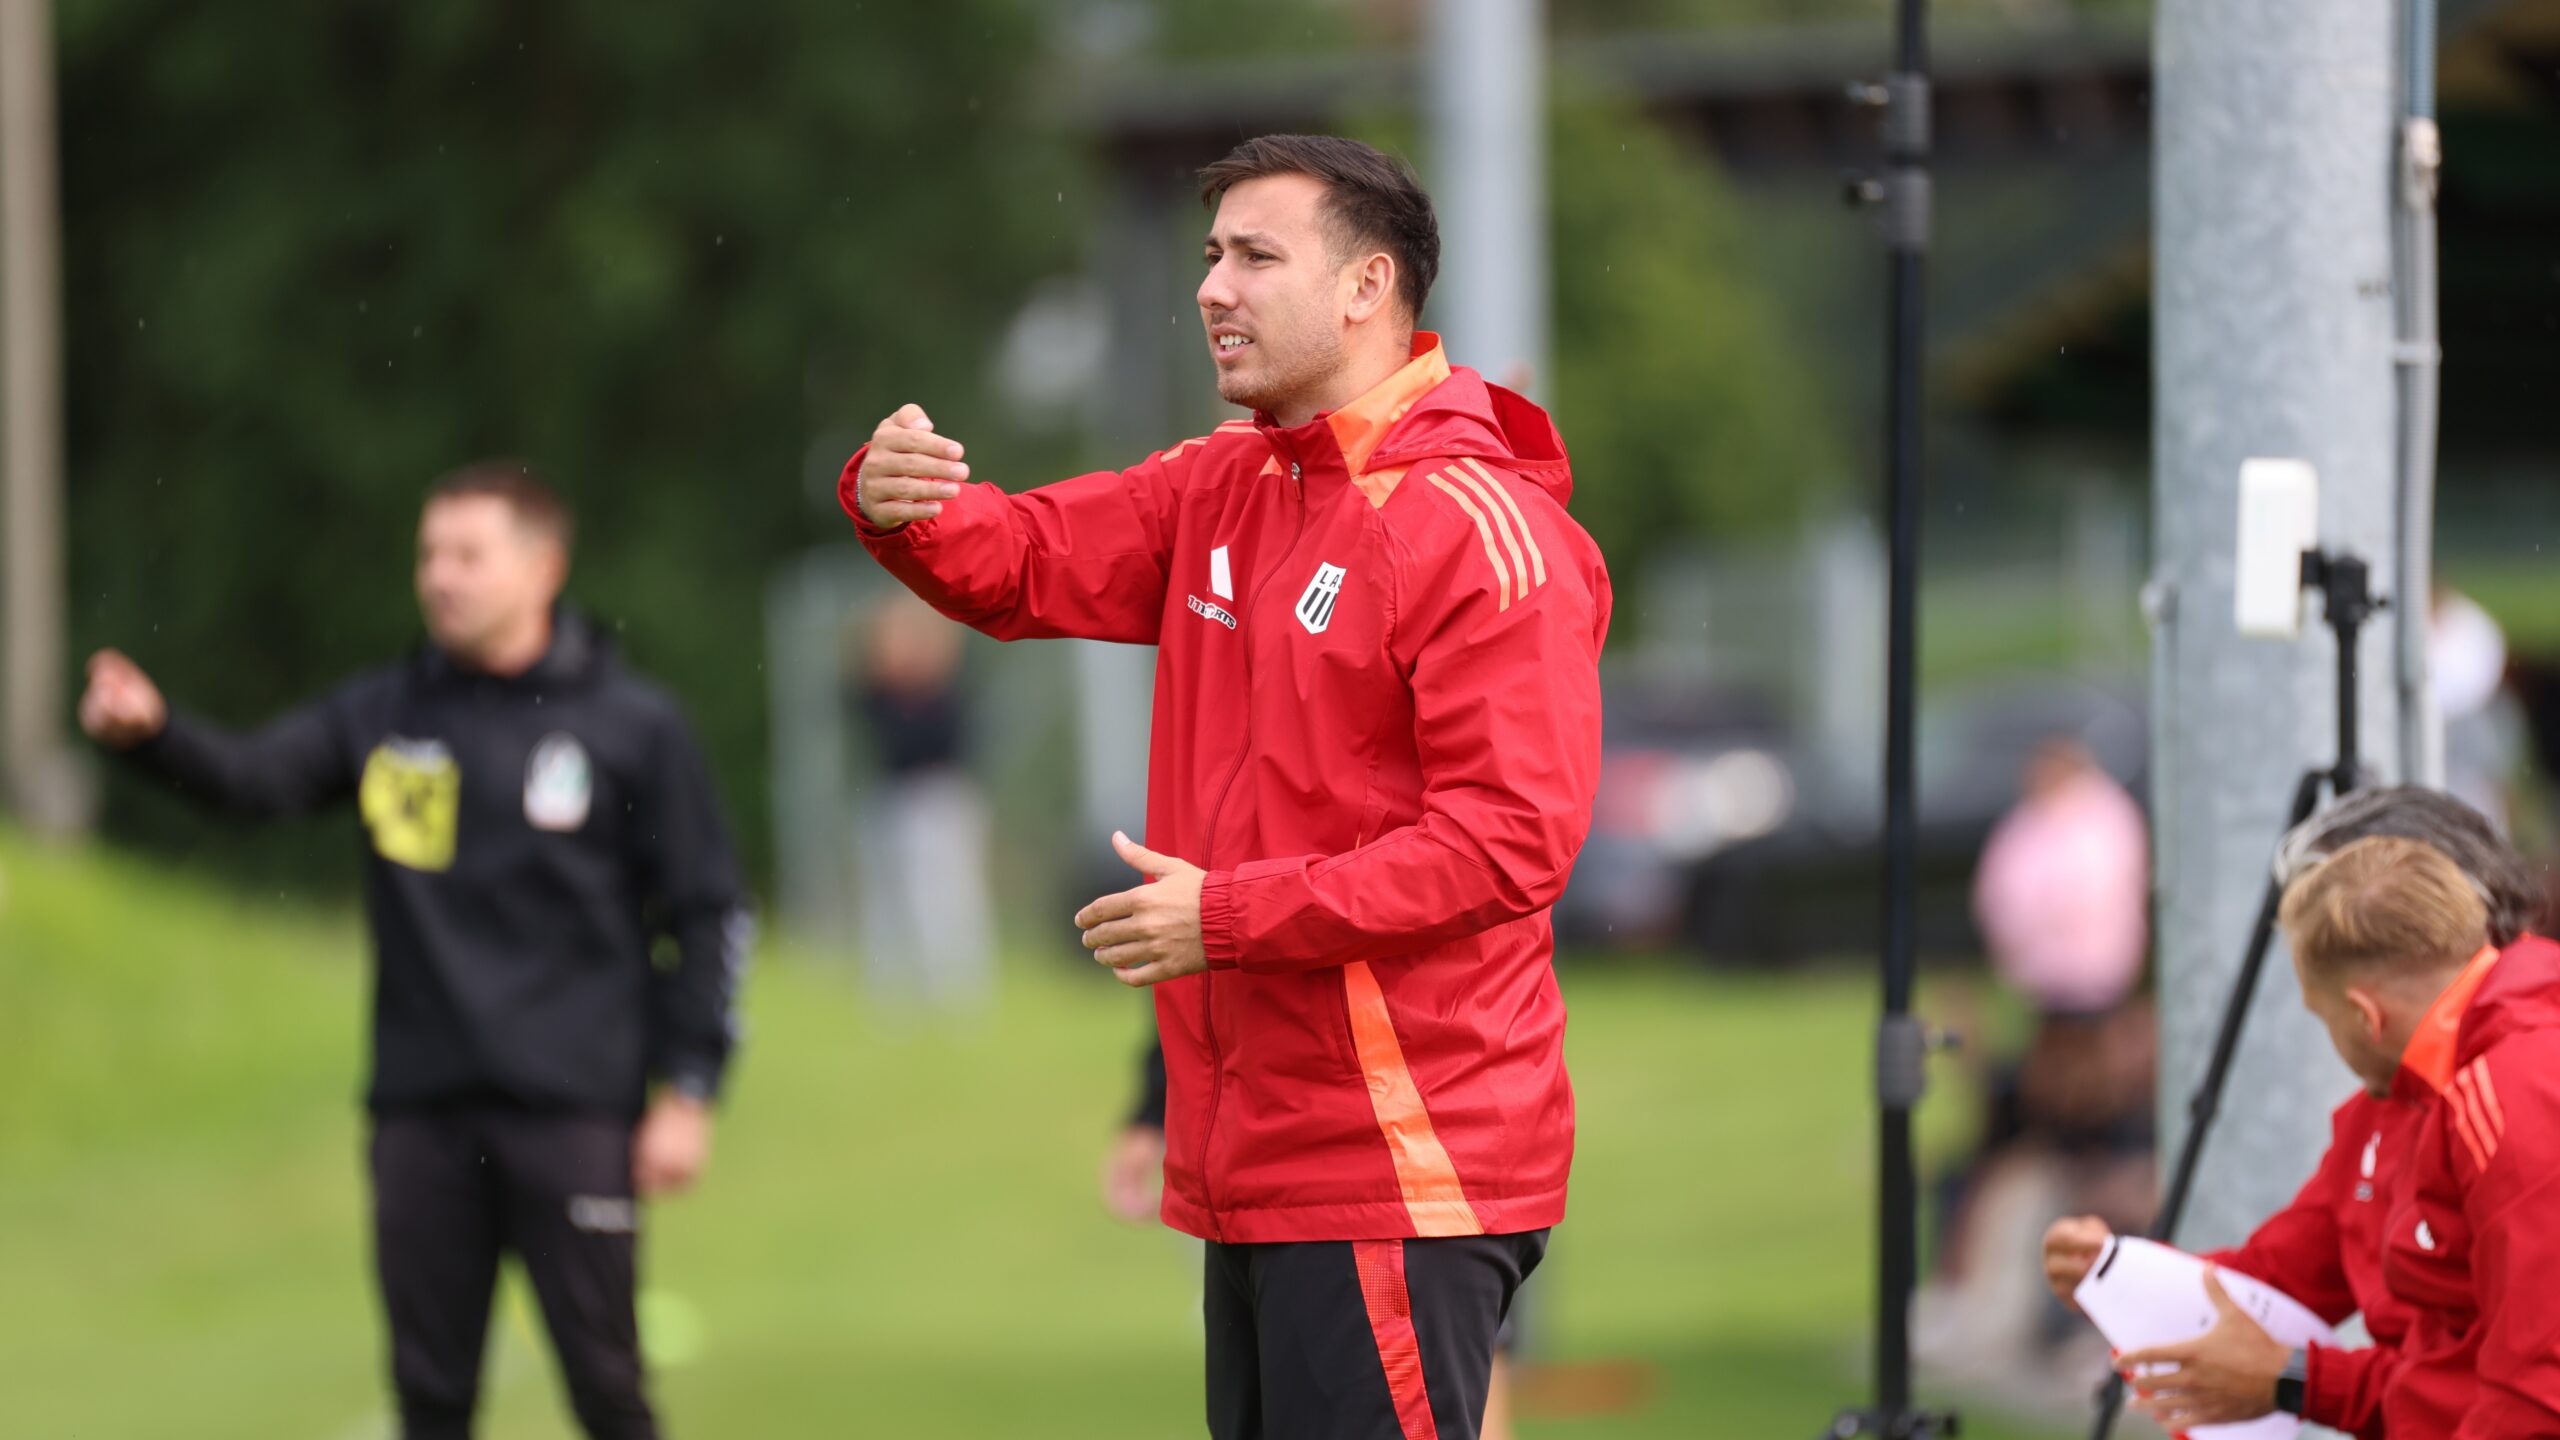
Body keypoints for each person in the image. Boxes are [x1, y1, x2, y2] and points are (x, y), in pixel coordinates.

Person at [846, 133, 1609, 1439]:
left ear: (1369, 287)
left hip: (1397, 1167)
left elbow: (1509, 846)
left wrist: (1230, 918)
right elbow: (1024, 558)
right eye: (1209, 256)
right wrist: (901, 507)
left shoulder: (1479, 527)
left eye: (1257, 256)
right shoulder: (1227, 483)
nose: (1213, 287)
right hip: (1256, 1161)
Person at [78, 461, 750, 1440]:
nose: (441, 576)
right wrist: (155, 736)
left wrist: (689, 1091)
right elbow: (257, 781)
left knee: (608, 1391)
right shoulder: (387, 713)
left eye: (468, 554)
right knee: (429, 1400)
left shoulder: (632, 728)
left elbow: (705, 912)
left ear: (542, 567)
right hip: (421, 1118)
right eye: (430, 554)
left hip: (572, 1113)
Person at [2039, 786, 2545, 1437]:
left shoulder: (2516, 1091)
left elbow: (2531, 1392)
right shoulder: (2395, 1100)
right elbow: (2278, 1281)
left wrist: (2294, 1380)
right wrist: (2116, 1276)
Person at [845, 591, 996, 1010]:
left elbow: (940, 737)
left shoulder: (945, 689)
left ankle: (957, 992)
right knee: (888, 900)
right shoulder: (882, 693)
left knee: (946, 897)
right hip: (891, 795)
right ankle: (894, 993)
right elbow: (861, 694)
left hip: (941, 797)